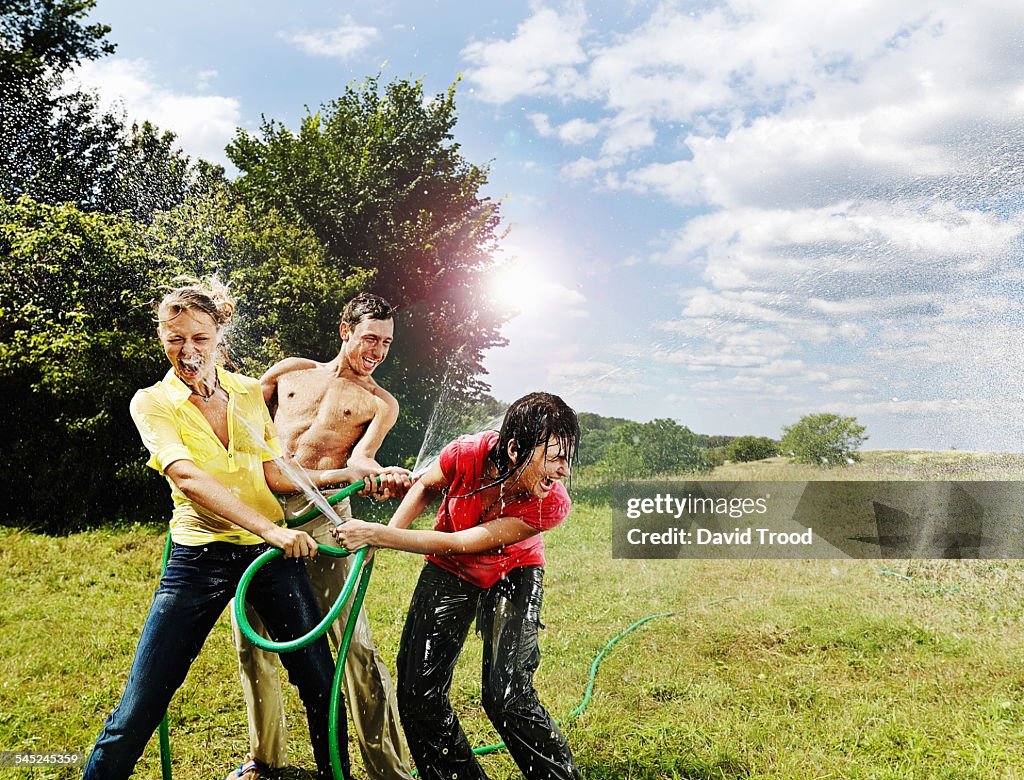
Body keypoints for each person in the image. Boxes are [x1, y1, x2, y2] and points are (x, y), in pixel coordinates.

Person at [83, 279, 367, 780]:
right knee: (142, 704)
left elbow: (276, 470)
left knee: (322, 685)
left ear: (219, 335)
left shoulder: (244, 392)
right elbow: (189, 478)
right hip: (199, 560)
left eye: (199, 338)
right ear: (161, 337)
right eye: (175, 339)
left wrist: (348, 474)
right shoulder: (152, 402)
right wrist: (274, 532)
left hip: (268, 559)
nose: (187, 351)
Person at [333, 391, 583, 780]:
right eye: (555, 458)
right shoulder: (465, 453)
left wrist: (378, 535)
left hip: (514, 571)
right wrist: (383, 536)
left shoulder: (551, 503)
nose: (564, 470)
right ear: (515, 449)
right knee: (418, 696)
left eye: (567, 458)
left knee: (507, 696)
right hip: (450, 569)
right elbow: (426, 486)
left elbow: (462, 542)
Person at [228, 292, 415, 780]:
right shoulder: (291, 371)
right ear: (344, 331)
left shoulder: (380, 403)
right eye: (369, 338)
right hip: (263, 515)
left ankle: (388, 771)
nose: (377, 350)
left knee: (355, 643)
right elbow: (238, 410)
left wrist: (377, 474)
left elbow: (362, 459)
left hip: (326, 517)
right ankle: (266, 761)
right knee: (254, 642)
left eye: (387, 343)